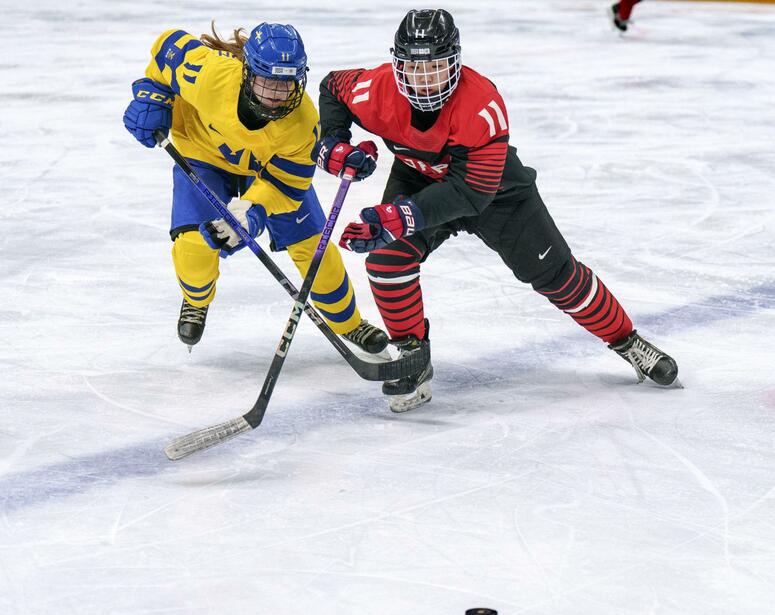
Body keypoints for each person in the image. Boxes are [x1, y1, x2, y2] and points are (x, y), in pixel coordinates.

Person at [313, 9, 678, 412]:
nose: (425, 79)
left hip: (496, 191)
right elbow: (333, 87)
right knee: (386, 258)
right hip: (418, 178)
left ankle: (627, 340)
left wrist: (400, 217)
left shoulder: (481, 104)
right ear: (398, 66)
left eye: (435, 67)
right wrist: (333, 143)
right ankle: (412, 358)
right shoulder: (374, 89)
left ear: (455, 62)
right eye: (415, 68)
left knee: (557, 277)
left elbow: (470, 193)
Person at [122, 22, 387, 354]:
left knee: (312, 247)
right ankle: (196, 300)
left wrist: (249, 215)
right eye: (267, 82)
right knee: (193, 246)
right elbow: (167, 47)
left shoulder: (303, 124)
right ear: (248, 73)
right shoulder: (211, 76)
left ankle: (349, 323)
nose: (277, 95)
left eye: (287, 84)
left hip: (265, 172)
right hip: (202, 156)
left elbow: (287, 185)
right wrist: (152, 95)